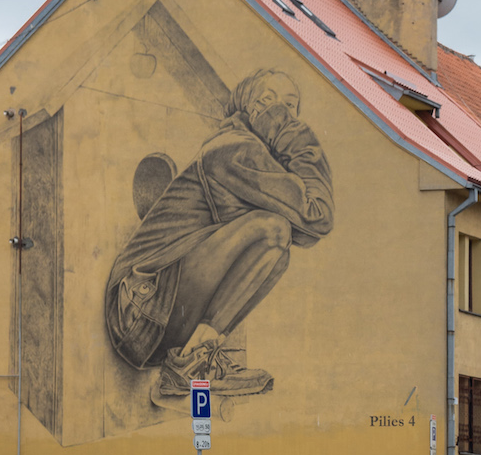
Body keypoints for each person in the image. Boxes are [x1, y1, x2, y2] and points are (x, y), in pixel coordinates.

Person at [106, 70, 334, 397]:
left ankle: (194, 361)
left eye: (290, 107)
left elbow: (307, 232)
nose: (281, 115)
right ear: (249, 108)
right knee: (272, 230)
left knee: (277, 247)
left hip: (157, 321)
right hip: (139, 310)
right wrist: (297, 141)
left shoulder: (252, 153)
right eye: (268, 101)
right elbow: (317, 215)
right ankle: (188, 364)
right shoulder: (234, 148)